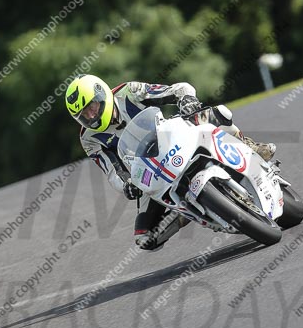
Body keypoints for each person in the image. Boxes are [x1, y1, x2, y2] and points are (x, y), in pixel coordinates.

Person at [65, 75, 278, 251]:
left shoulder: (128, 92)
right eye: (83, 114)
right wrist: (126, 185)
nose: (90, 115)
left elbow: (178, 89)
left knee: (216, 113)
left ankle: (248, 146)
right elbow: (112, 170)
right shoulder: (89, 139)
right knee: (145, 238)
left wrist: (186, 99)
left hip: (174, 138)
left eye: (91, 107)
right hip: (150, 172)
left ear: (102, 95)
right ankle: (184, 212)